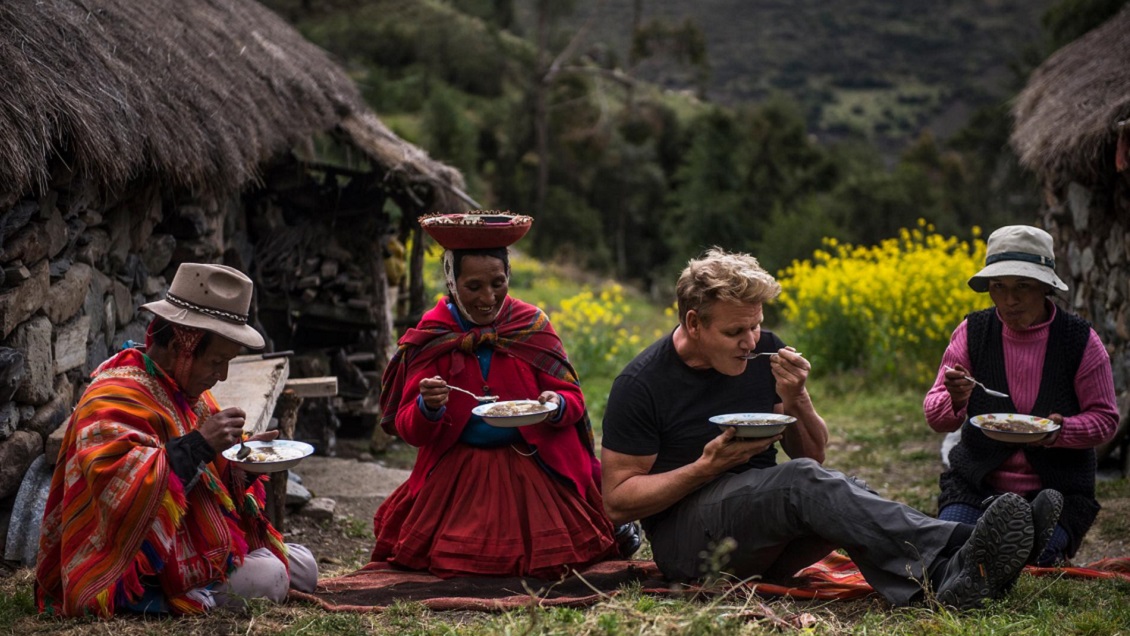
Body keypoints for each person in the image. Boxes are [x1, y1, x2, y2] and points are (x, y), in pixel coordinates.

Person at [600, 247, 1060, 610]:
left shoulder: (767, 354)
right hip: (689, 551)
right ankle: (958, 560)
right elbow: (617, 503)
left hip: (761, 534)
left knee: (840, 490)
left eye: (757, 326)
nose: (750, 342)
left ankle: (957, 574)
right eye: (735, 332)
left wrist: (797, 396)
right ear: (694, 323)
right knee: (805, 485)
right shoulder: (641, 384)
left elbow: (812, 455)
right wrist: (704, 468)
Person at [36, 263, 318, 617]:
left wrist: (241, 463)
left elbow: (208, 481)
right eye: (217, 361)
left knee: (304, 565)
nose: (223, 375)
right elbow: (118, 490)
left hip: (192, 543)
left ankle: (213, 579)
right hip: (131, 563)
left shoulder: (186, 395)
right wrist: (200, 444)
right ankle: (160, 598)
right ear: (181, 346)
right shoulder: (111, 395)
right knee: (273, 575)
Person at [371, 211, 628, 579]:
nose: (487, 297)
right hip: (458, 474)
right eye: (473, 287)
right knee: (458, 563)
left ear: (509, 277)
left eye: (498, 282)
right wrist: (427, 407)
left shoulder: (531, 325)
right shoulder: (432, 335)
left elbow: (572, 398)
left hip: (535, 465)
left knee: (557, 559)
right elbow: (410, 429)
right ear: (451, 282)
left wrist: (554, 404)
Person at [924, 225, 1119, 566]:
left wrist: (1059, 432)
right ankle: (989, 540)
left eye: (1023, 287)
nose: (1009, 300)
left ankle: (1029, 540)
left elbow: (1105, 421)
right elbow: (936, 417)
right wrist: (954, 399)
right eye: (999, 287)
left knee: (1026, 558)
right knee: (954, 552)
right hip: (975, 487)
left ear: (1045, 287)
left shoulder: (1080, 342)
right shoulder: (973, 333)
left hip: (1055, 495)